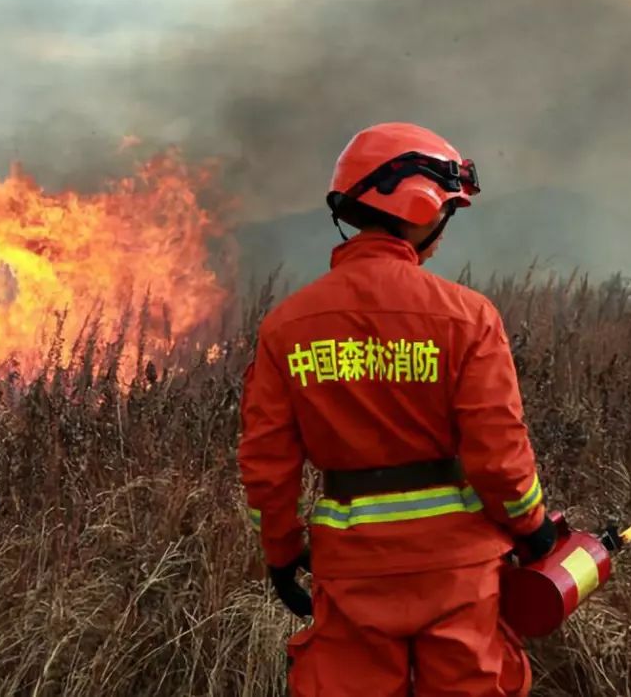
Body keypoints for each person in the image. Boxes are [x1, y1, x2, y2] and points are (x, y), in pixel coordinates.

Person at [237, 122, 558, 696]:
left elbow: (267, 467)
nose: (445, 229)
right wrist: (531, 527)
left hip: (350, 572)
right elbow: (499, 456)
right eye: (448, 210)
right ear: (420, 206)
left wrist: (281, 554)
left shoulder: (286, 327)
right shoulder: (468, 317)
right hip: (458, 571)